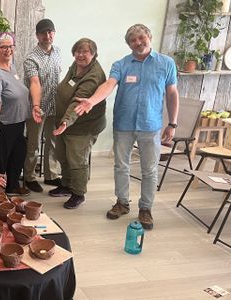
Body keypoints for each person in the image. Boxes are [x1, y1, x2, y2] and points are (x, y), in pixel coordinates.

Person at [75, 24, 179, 229]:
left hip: (151, 125)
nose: (138, 42)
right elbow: (108, 85)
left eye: (141, 38)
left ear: (149, 36)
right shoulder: (121, 64)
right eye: (133, 40)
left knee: (149, 169)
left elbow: (172, 93)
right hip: (124, 123)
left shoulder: (166, 63)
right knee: (121, 166)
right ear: (129, 44)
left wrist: (173, 123)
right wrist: (91, 101)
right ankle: (122, 203)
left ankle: (146, 209)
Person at [51, 38, 106, 209]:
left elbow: (78, 103)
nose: (80, 55)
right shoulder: (76, 66)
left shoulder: (93, 76)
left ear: (94, 54)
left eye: (85, 52)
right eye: (78, 51)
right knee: (63, 155)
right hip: (64, 123)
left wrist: (66, 121)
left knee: (77, 160)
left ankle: (78, 193)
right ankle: (66, 185)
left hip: (82, 126)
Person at [0, 32, 32, 196]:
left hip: (16, 122)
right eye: (4, 47)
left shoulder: (11, 66)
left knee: (18, 153)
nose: (8, 50)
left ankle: (12, 187)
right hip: (1, 123)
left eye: (11, 46)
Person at [23, 18, 62, 193]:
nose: (48, 36)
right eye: (44, 33)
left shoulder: (58, 52)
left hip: (55, 106)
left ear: (54, 32)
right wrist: (37, 105)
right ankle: (29, 177)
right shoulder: (31, 58)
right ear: (37, 35)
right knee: (33, 144)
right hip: (36, 108)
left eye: (50, 32)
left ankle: (51, 175)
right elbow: (34, 82)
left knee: (53, 142)